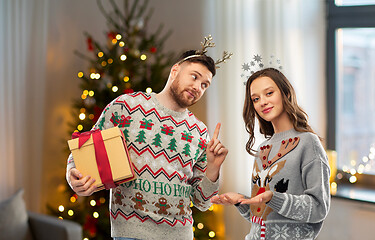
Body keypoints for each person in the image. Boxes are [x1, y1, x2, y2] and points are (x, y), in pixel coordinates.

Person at [66, 45, 229, 240]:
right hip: (129, 233)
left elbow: (202, 202)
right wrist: (72, 174)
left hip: (179, 234)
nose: (197, 87)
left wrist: (213, 168)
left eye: (205, 85)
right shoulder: (126, 107)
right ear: (175, 70)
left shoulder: (199, 131)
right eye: (194, 77)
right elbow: (84, 150)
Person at [211, 67, 330, 240]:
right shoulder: (263, 150)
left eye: (269, 93)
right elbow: (263, 218)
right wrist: (241, 201)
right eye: (256, 99)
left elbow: (318, 208)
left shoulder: (308, 142)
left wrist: (273, 197)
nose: (262, 102)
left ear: (286, 94)